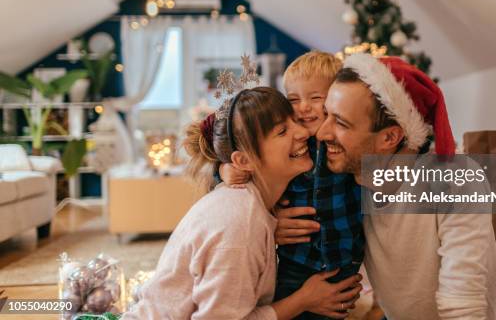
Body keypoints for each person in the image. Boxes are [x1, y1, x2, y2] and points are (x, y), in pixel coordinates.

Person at [279, 54, 496, 319]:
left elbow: (462, 304)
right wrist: (275, 223)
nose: (322, 133)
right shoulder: (350, 180)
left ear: (390, 136)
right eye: (326, 115)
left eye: (341, 123)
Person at [122, 87, 362, 319]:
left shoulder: (249, 202)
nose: (303, 133)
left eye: (295, 122)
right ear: (243, 160)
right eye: (282, 132)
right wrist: (302, 301)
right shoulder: (241, 222)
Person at [220, 52, 365, 319]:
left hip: (343, 264)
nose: (303, 108)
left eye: (315, 98)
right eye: (294, 99)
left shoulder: (348, 145)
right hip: (295, 263)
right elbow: (253, 165)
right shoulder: (292, 147)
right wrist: (225, 170)